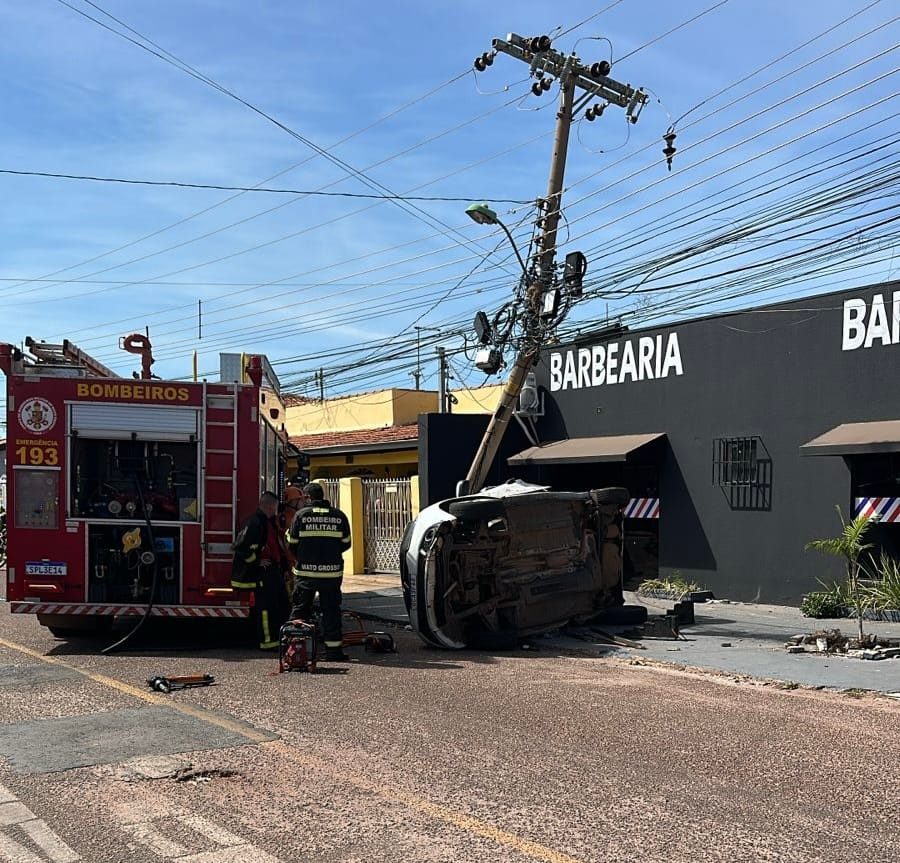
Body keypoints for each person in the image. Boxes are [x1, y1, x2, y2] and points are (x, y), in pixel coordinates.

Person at [285, 482, 352, 661]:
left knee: (300, 610)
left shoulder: (300, 515)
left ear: (307, 497)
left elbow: (291, 543)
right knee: (331, 611)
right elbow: (346, 543)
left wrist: (303, 556)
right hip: (331, 574)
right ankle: (334, 652)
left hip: (305, 574)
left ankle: (295, 652)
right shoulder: (339, 516)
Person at [232, 491, 291, 651]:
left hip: (273, 572)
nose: (277, 510)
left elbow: (277, 547)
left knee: (280, 605)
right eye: (276, 507)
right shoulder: (255, 522)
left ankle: (278, 638)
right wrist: (256, 562)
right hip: (263, 574)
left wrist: (284, 568)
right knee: (266, 609)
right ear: (270, 506)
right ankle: (267, 642)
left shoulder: (268, 522)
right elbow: (240, 547)